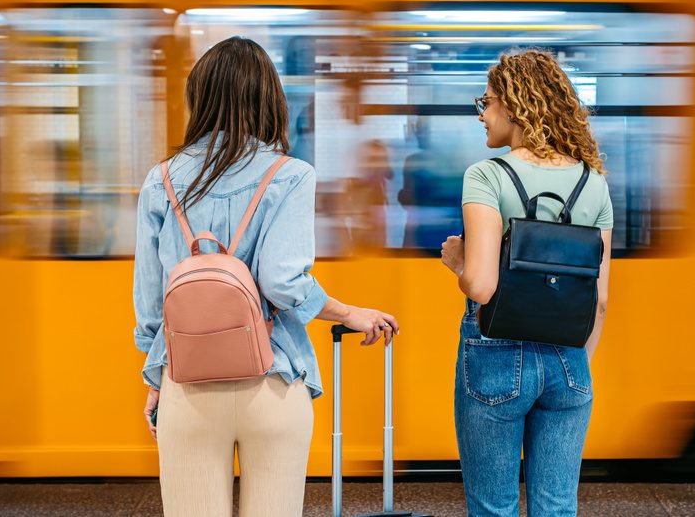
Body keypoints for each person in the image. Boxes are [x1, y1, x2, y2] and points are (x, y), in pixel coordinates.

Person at [133, 36, 399, 517]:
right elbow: (282, 282)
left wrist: (155, 379)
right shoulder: (291, 174)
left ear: (199, 99)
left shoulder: (161, 180)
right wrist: (348, 313)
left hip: (188, 384)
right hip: (272, 381)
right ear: (269, 102)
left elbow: (152, 303)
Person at [440, 49, 614, 517]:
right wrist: (575, 368)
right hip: (569, 361)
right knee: (556, 509)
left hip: (496, 355)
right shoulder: (593, 183)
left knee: (494, 509)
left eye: (488, 102)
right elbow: (598, 301)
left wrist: (457, 261)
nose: (483, 115)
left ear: (516, 105)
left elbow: (480, 285)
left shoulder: (486, 175)